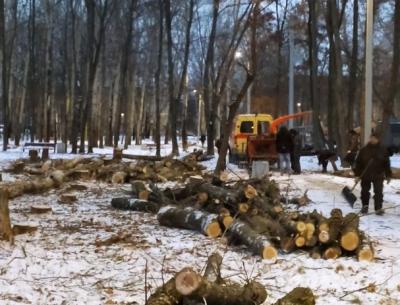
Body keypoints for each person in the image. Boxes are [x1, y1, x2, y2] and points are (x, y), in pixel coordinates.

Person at [354, 132, 392, 215]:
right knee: (364, 192)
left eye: (374, 138)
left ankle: (378, 208)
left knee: (378, 192)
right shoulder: (364, 150)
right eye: (371, 138)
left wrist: (388, 175)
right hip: (365, 175)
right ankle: (365, 207)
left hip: (378, 174)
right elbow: (358, 163)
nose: (372, 139)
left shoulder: (383, 150)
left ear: (378, 139)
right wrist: (357, 175)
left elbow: (387, 163)